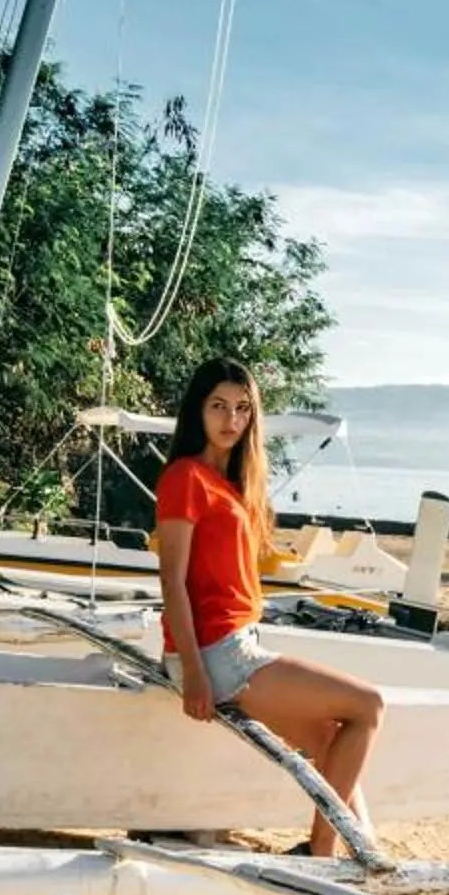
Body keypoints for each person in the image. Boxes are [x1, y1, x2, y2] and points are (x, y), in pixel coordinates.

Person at [154, 356, 383, 857]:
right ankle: (324, 854)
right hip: (216, 654)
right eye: (218, 406)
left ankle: (365, 850)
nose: (231, 420)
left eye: (242, 409)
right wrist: (193, 671)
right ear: (197, 411)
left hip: (234, 646)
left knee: (331, 740)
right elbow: (172, 580)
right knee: (368, 705)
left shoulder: (234, 486)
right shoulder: (185, 478)